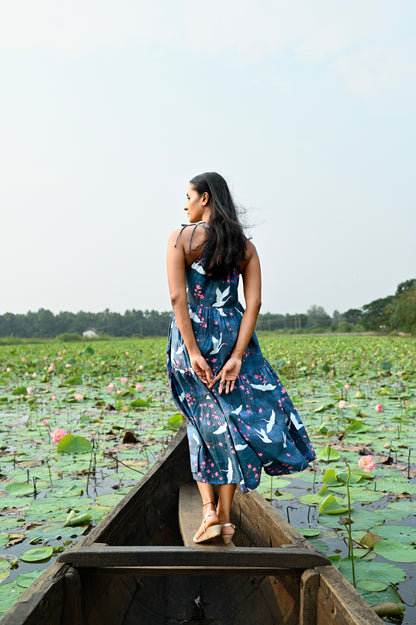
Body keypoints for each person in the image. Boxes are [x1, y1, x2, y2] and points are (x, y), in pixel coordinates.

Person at [166, 172, 316, 544]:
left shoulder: (181, 237)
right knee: (233, 422)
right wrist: (235, 356)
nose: (185, 205)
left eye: (188, 197)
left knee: (202, 423)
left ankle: (208, 514)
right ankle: (228, 519)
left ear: (204, 198)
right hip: (234, 339)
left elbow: (177, 299)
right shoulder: (244, 246)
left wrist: (193, 352)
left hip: (193, 337)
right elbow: (255, 303)